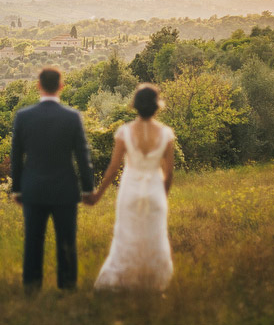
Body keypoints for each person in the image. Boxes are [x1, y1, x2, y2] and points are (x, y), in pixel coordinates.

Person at [10, 67, 95, 292]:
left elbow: (16, 157)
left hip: (33, 188)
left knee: (33, 240)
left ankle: (31, 286)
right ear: (61, 86)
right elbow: (82, 156)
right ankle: (67, 286)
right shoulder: (72, 117)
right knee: (66, 240)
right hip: (64, 189)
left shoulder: (23, 116)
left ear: (38, 85)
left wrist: (16, 189)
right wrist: (88, 189)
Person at [89, 83, 175, 291]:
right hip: (154, 191)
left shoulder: (124, 132)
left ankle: (124, 281)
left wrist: (98, 194)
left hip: (129, 191)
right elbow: (169, 172)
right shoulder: (166, 134)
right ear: (157, 106)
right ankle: (153, 284)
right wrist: (162, 195)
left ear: (135, 105)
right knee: (154, 237)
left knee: (126, 236)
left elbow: (112, 168)